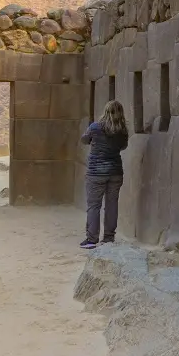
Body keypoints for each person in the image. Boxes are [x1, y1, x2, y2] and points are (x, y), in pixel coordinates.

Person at [80, 100, 129, 249]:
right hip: (115, 172)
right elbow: (123, 146)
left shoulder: (95, 127)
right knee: (112, 205)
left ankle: (91, 239)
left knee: (94, 206)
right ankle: (108, 238)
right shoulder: (123, 131)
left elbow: (84, 140)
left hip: (96, 173)